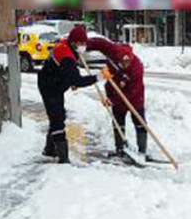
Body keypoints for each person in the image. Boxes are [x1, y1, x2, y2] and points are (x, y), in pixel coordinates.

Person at [37, 25, 105, 163]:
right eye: (80, 43)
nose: (83, 46)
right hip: (50, 86)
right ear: (73, 42)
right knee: (57, 119)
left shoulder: (66, 46)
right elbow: (78, 80)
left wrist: (69, 81)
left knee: (59, 114)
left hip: (53, 82)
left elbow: (65, 73)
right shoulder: (67, 55)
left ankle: (49, 149)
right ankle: (63, 158)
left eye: (84, 43)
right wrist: (98, 77)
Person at [84, 37, 148, 157]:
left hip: (135, 98)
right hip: (114, 92)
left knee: (140, 123)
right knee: (118, 123)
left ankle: (142, 152)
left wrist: (113, 101)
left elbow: (131, 92)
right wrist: (84, 46)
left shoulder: (137, 67)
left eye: (128, 62)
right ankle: (120, 149)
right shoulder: (114, 51)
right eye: (123, 62)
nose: (125, 65)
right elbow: (100, 43)